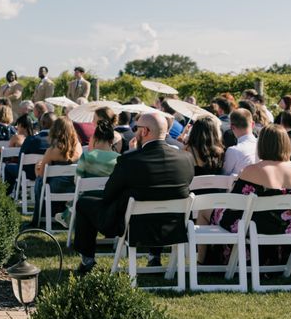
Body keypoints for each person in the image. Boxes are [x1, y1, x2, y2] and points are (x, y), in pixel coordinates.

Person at [72, 112, 194, 275]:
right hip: (172, 226)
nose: (135, 132)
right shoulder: (186, 159)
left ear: (145, 132)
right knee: (157, 198)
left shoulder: (130, 161)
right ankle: (154, 256)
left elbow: (108, 194)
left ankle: (87, 260)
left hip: (134, 226)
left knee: (83, 202)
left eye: (137, 128)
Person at [211, 126, 291, 265]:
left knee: (214, 213)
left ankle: (210, 261)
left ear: (261, 144)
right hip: (289, 227)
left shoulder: (253, 170)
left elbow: (235, 203)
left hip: (258, 227)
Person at [54, 119, 119, 227]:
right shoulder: (119, 158)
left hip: (88, 199)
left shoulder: (87, 156)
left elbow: (77, 181)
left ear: (95, 139)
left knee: (78, 196)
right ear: (112, 140)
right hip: (110, 199)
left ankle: (67, 216)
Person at [30, 116, 82, 227]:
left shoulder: (52, 151)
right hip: (74, 187)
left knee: (39, 181)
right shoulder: (78, 147)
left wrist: (36, 168)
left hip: (55, 188)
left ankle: (37, 219)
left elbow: (42, 174)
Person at [222, 109, 258, 176]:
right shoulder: (262, 146)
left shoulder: (233, 150)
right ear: (253, 124)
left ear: (232, 127)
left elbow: (225, 175)